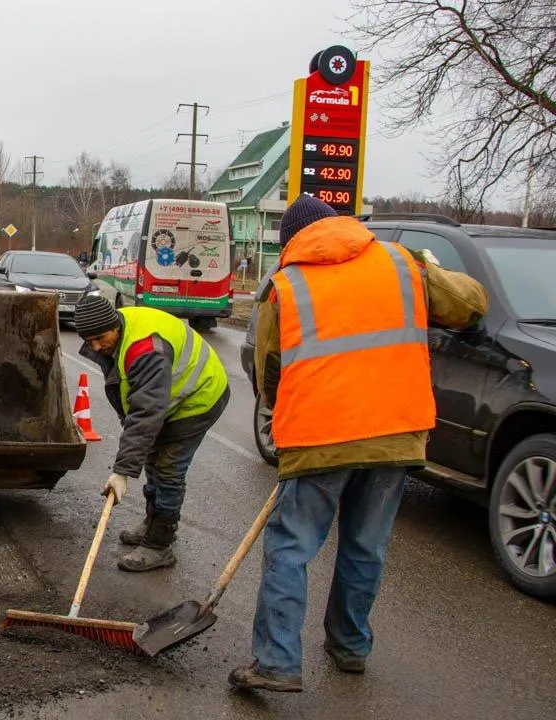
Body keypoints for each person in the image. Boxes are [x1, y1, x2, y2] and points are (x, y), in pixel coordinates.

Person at [229, 195, 488, 692]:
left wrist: (290, 423)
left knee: (290, 549)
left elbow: (269, 375)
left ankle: (278, 662)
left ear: (290, 243)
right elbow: (471, 303)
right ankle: (349, 645)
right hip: (395, 432)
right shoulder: (401, 263)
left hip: (320, 436)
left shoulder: (285, 286)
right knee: (365, 546)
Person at [74, 295, 230, 571]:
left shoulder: (145, 349)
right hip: (168, 399)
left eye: (100, 338)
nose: (96, 346)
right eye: (89, 341)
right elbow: (130, 398)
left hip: (198, 398)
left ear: (116, 326)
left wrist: (122, 471)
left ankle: (160, 544)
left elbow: (146, 413)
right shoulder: (114, 337)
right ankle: (152, 521)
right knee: (153, 460)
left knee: (168, 470)